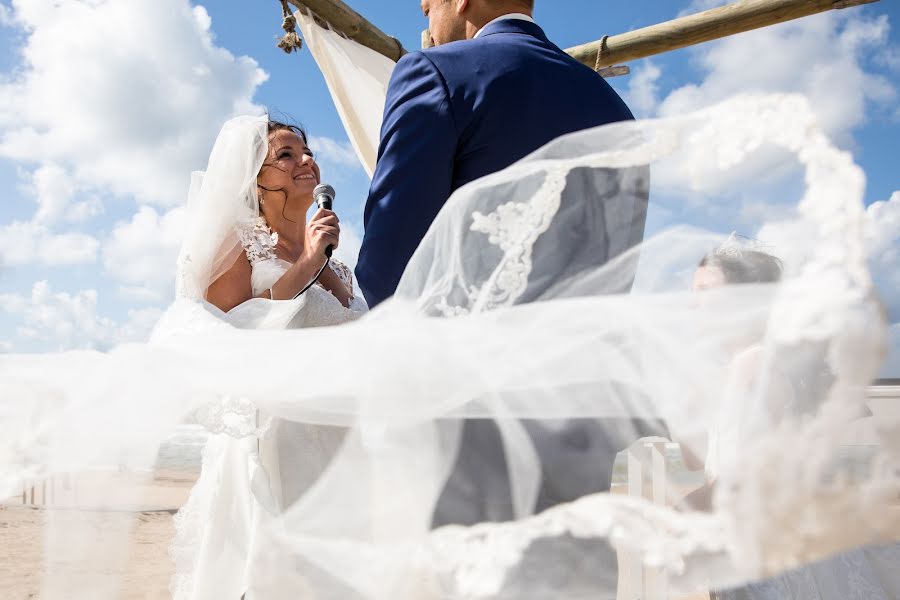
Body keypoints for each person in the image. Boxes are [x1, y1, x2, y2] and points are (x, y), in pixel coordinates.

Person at [168, 116, 367, 600]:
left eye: (307, 151)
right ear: (256, 181)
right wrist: (305, 264)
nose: (306, 161)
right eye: (286, 155)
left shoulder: (336, 259)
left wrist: (322, 262)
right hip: (272, 439)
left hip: (338, 441)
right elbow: (231, 335)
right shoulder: (239, 246)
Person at [356, 0, 640, 308]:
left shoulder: (434, 72)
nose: (430, 32)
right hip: (583, 345)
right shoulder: (616, 108)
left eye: (429, 11)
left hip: (470, 345)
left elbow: (388, 260)